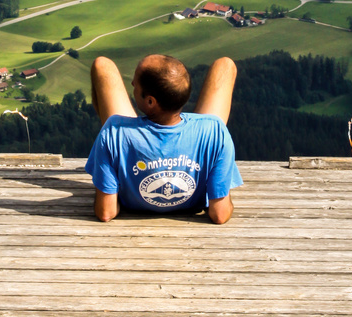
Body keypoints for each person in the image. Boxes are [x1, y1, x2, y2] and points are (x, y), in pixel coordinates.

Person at [85, 54, 242, 224]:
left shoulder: (114, 132)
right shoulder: (215, 131)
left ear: (150, 101)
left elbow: (106, 212)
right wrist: (222, 184)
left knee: (102, 65)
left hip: (130, 145)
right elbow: (220, 214)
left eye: (136, 83)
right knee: (225, 65)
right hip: (195, 191)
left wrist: (106, 177)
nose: (132, 84)